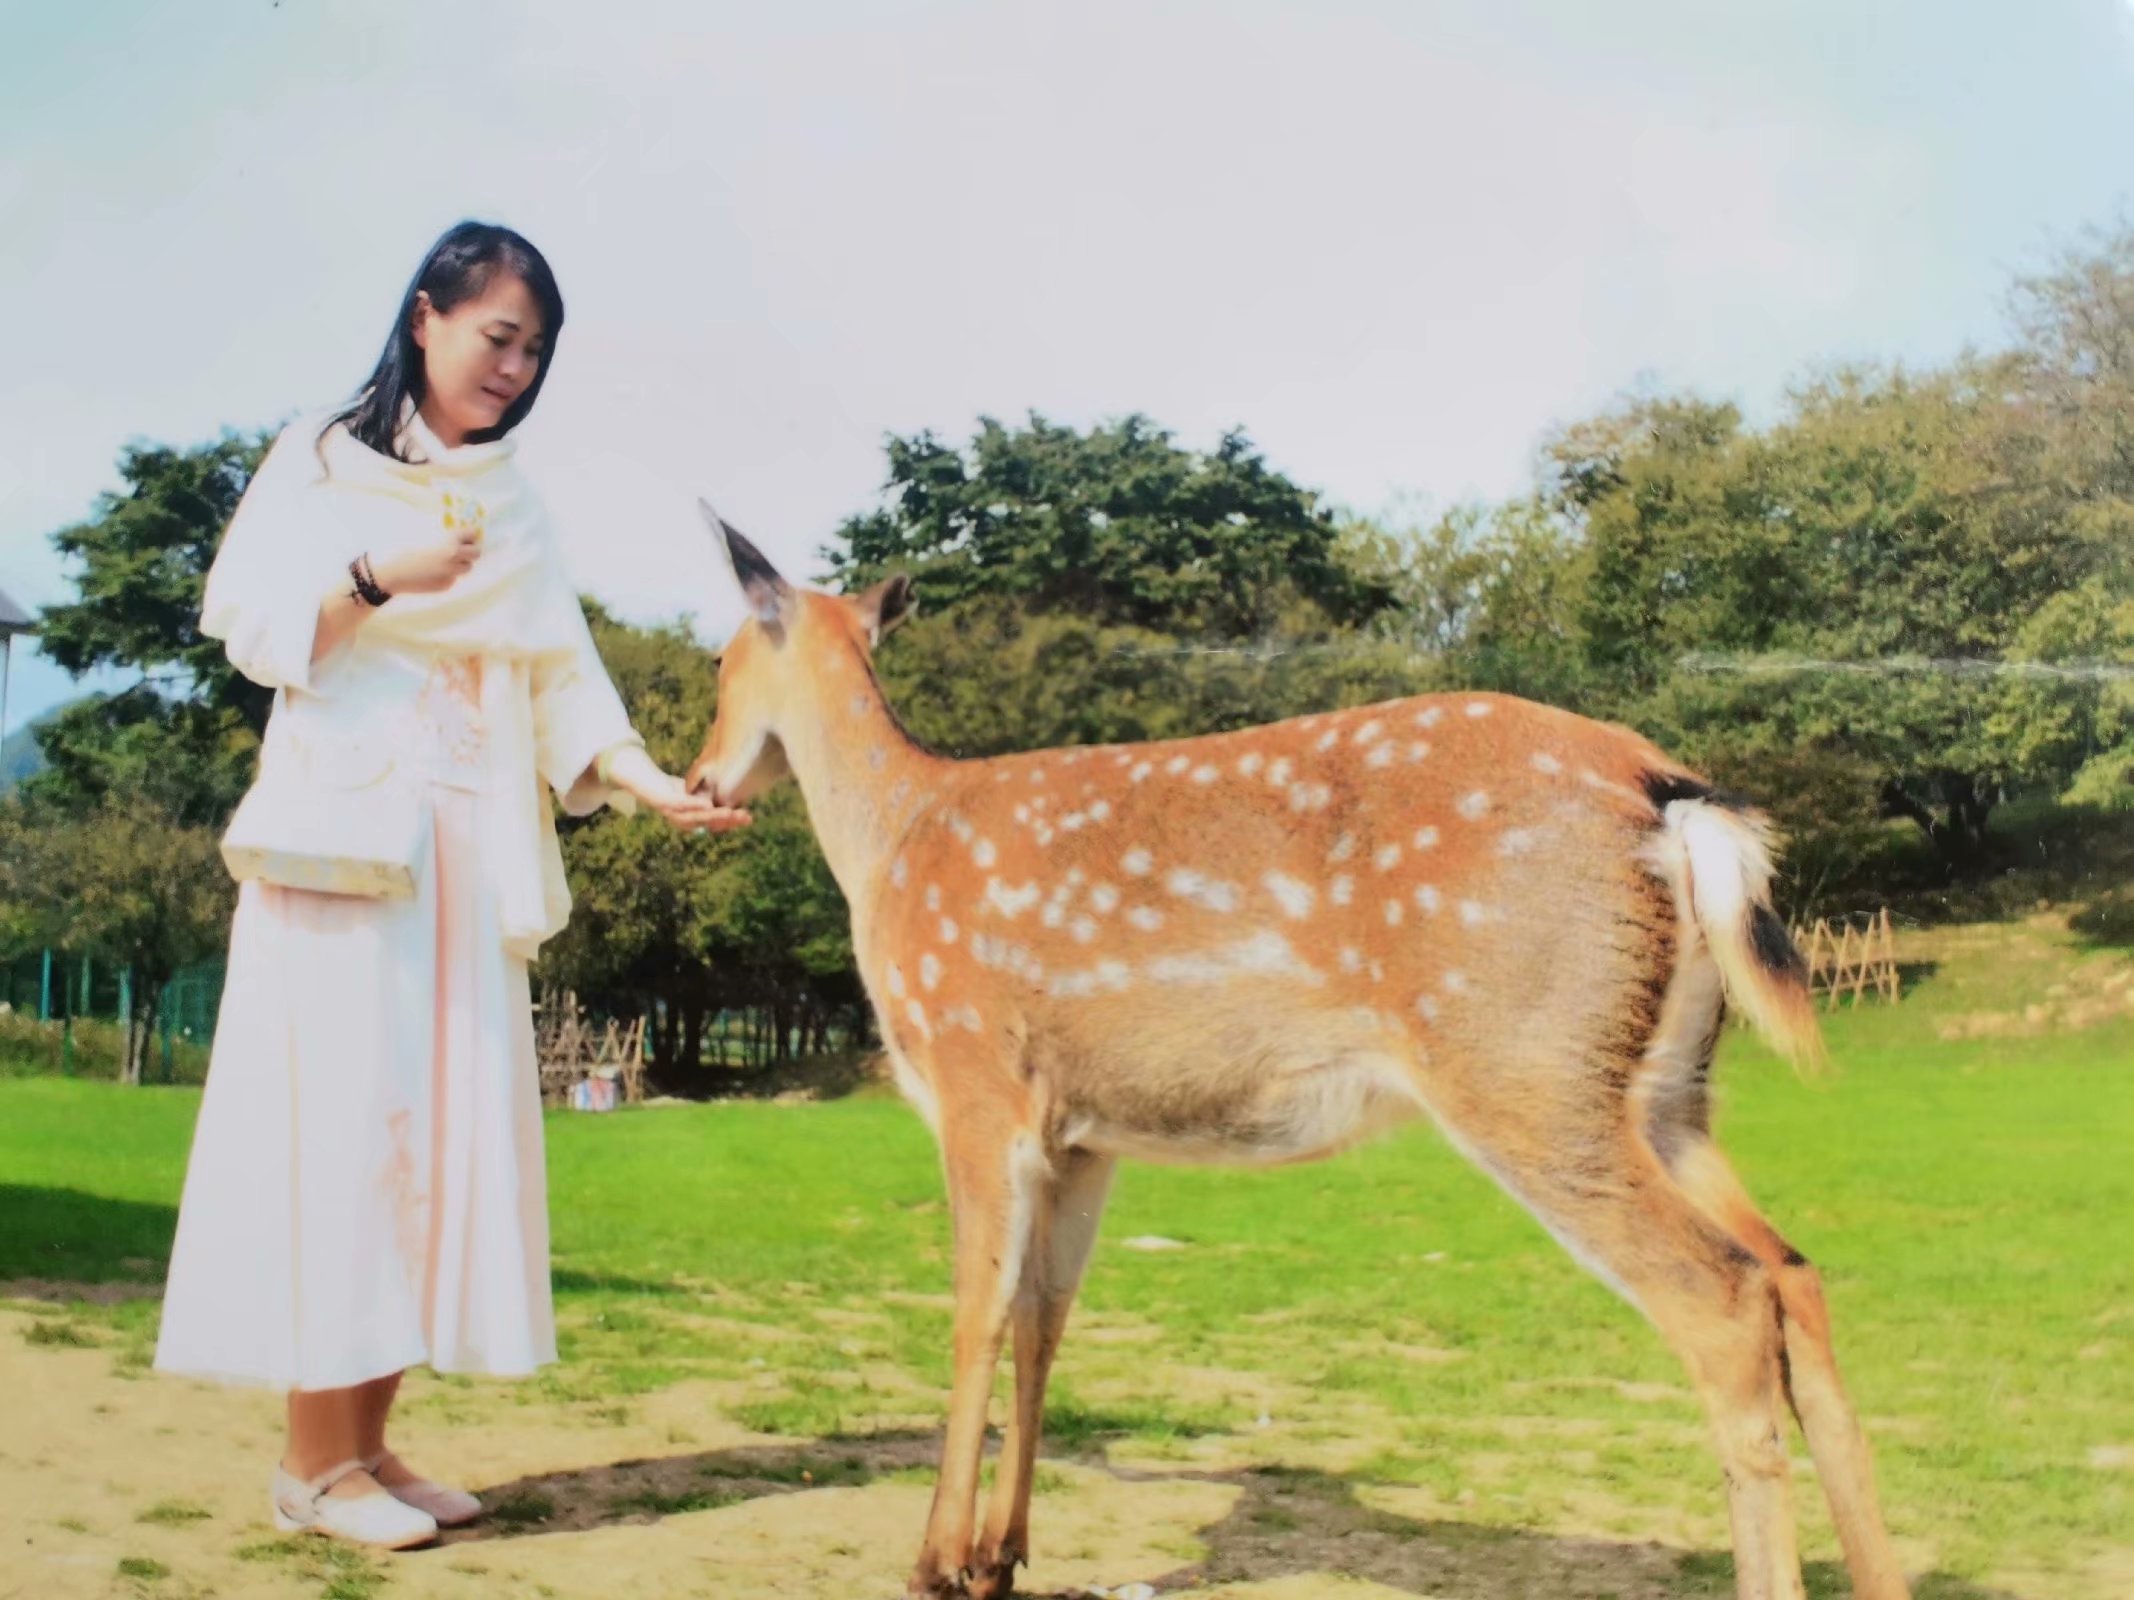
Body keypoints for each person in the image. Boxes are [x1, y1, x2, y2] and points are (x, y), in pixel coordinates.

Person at [152, 221, 748, 1549]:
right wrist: (373, 576)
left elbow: (555, 669)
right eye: (498, 337)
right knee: (347, 1137)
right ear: (425, 317)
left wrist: (644, 781)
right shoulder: (317, 462)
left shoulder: (512, 499)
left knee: (429, 1149)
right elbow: (249, 624)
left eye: (534, 351)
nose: (516, 369)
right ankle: (311, 1467)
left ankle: (361, 1443)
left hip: (466, 858)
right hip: (343, 848)